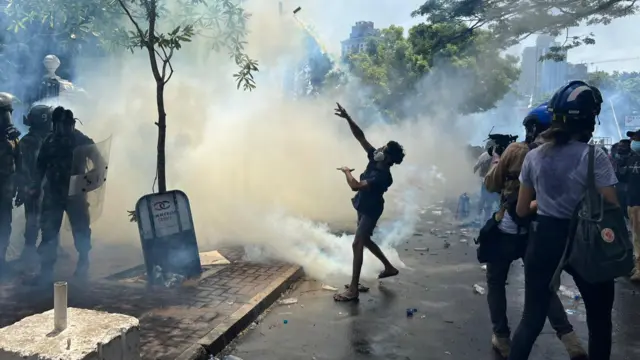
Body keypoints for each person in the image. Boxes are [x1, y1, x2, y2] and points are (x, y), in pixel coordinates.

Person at [509, 81, 617, 360]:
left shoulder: (533, 157)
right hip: (588, 241)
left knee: (531, 319)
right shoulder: (595, 157)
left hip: (545, 238)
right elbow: (612, 206)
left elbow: (522, 210)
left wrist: (544, 202)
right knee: (599, 320)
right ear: (590, 120)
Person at [483, 103, 586, 359]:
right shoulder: (569, 154)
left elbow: (491, 184)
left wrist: (496, 160)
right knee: (543, 288)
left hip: (509, 225)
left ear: (530, 127)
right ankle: (571, 340)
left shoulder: (517, 150)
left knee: (496, 282)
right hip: (540, 230)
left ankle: (502, 337)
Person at [332, 103, 403, 302]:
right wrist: (348, 118)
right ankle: (389, 267)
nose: (379, 148)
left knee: (357, 243)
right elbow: (360, 136)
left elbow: (354, 185)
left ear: (388, 157)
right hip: (363, 204)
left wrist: (346, 171)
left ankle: (353, 289)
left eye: (384, 148)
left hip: (371, 209)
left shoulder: (382, 176)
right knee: (365, 241)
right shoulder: (375, 157)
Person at [30, 106, 100, 284]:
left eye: (66, 125)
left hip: (75, 194)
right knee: (48, 233)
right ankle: (45, 272)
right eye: (59, 125)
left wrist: (89, 180)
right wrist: (35, 187)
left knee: (81, 230)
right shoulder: (50, 141)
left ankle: (83, 263)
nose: (62, 129)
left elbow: (100, 164)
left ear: (71, 124)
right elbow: (40, 166)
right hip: (53, 194)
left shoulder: (82, 140)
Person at [16, 105, 53, 263]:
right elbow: (22, 167)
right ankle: (29, 250)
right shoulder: (28, 142)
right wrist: (25, 188)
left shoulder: (51, 138)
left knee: (49, 217)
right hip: (35, 187)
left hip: (49, 186)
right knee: (33, 218)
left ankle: (52, 247)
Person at [0, 92, 23, 280]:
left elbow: (20, 164)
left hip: (5, 191)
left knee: (4, 226)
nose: (6, 118)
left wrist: (21, 187)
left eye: (7, 112)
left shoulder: (12, 139)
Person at [622, 130, 640, 281]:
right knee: (635, 236)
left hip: (638, 203)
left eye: (636, 139)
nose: (634, 142)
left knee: (638, 237)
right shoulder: (632, 158)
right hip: (632, 202)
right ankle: (638, 265)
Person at [475, 142, 500, 221]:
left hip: (485, 181)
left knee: (484, 199)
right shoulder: (499, 156)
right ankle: (489, 217)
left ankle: (480, 216)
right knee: (493, 200)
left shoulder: (484, 156)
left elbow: (476, 167)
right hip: (494, 182)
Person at [612, 139, 632, 220]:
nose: (620, 148)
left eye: (623, 147)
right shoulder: (616, 159)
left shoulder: (634, 159)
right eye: (619, 146)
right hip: (618, 187)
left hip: (629, 188)